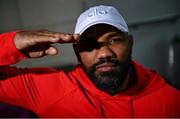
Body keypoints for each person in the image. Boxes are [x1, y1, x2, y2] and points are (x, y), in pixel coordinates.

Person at [0, 5, 179, 118]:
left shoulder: (170, 102)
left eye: (114, 40)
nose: (104, 53)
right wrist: (11, 44)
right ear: (77, 52)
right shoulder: (51, 90)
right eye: (90, 44)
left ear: (130, 42)